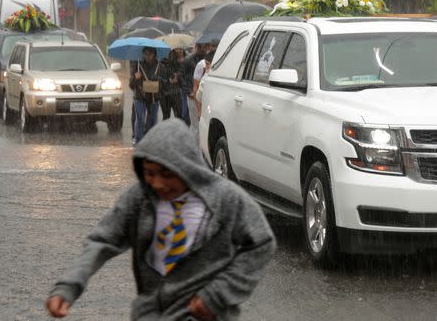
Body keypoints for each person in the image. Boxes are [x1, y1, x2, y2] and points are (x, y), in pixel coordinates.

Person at [45, 119, 275, 320]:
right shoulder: (139, 199)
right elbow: (102, 240)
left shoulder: (227, 199)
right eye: (149, 173)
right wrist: (68, 286)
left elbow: (261, 243)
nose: (157, 183)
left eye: (167, 174)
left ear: (188, 168)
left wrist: (218, 294)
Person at [129, 47, 161, 143]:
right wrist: (135, 78)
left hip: (154, 97)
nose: (147, 56)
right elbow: (131, 85)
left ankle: (151, 141)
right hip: (140, 97)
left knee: (152, 121)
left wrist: (157, 80)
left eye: (149, 54)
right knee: (140, 120)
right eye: (145, 54)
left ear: (154, 54)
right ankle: (139, 141)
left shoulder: (159, 66)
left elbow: (164, 81)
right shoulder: (137, 64)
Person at [158, 49, 183, 121]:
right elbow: (159, 79)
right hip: (166, 94)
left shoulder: (180, 65)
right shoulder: (162, 65)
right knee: (167, 116)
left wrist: (178, 77)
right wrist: (169, 81)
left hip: (174, 93)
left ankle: (177, 131)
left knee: (177, 116)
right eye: (179, 55)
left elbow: (182, 80)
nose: (181, 57)